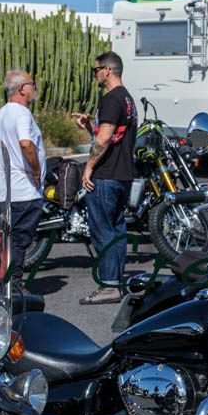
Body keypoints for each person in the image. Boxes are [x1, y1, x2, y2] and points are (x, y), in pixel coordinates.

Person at [78, 50, 137, 304]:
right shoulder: (127, 100)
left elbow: (104, 138)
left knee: (103, 231)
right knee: (116, 229)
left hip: (106, 176)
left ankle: (109, 285)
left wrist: (89, 167)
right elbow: (111, 135)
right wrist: (90, 127)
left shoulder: (111, 98)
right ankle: (117, 282)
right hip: (123, 175)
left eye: (96, 70)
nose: (95, 75)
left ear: (108, 70)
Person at [0, 69, 45, 270]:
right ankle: (15, 287)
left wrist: (0, 165)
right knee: (18, 241)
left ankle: (0, 284)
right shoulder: (21, 113)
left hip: (1, 191)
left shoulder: (2, 112)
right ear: (21, 89)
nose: (35, 88)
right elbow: (26, 143)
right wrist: (36, 172)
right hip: (22, 192)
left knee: (2, 241)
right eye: (32, 84)